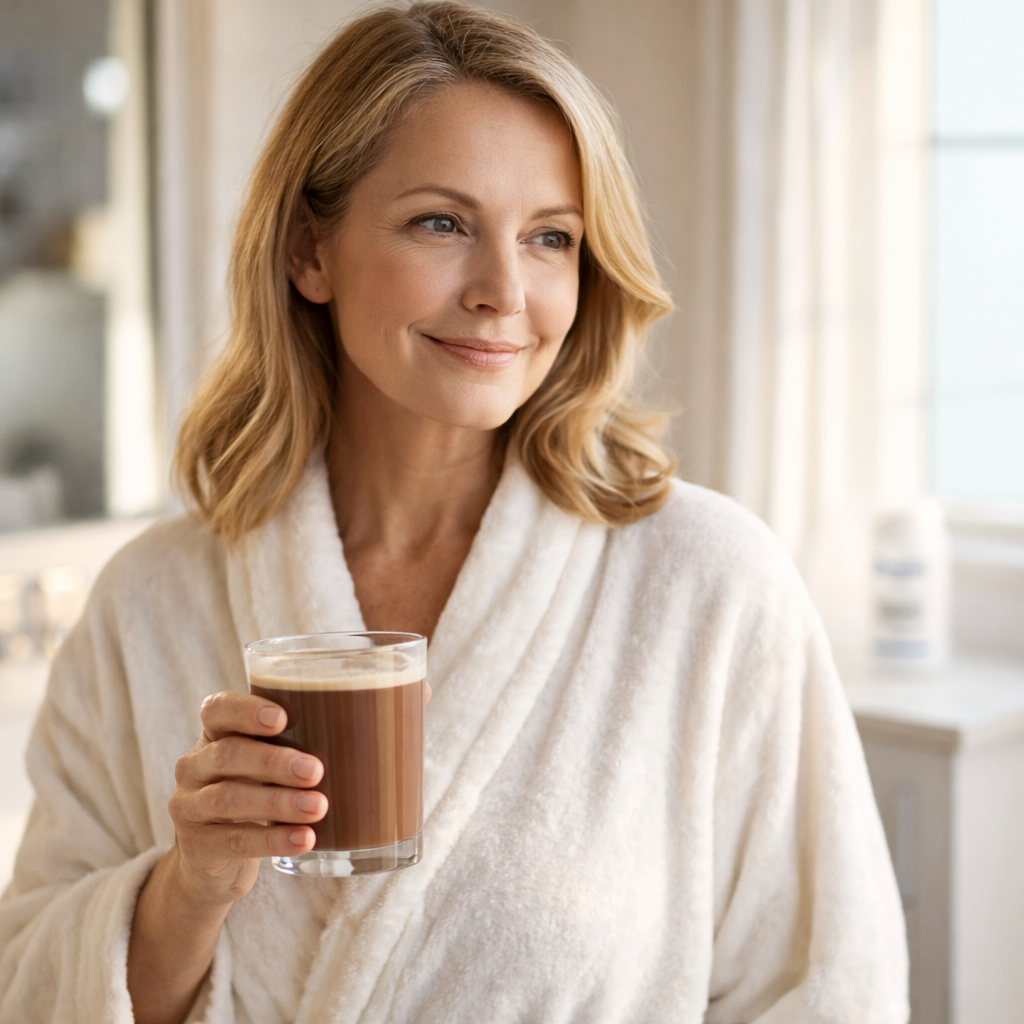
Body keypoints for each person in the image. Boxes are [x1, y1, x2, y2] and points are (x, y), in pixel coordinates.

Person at [0, 4, 908, 1023]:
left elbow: (829, 987)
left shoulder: (708, 586)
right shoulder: (151, 603)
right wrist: (188, 886)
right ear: (309, 250)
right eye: (442, 222)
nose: (503, 291)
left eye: (551, 238)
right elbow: (28, 979)